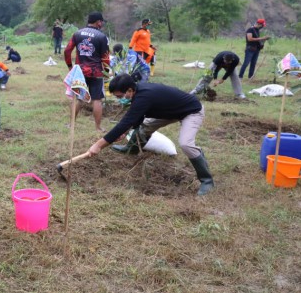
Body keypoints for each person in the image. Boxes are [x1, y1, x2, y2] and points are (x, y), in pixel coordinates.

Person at [87, 73, 215, 196]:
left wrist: (99, 145)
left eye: (120, 96)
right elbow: (137, 116)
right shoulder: (138, 92)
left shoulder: (144, 96)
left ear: (130, 90)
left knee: (186, 144)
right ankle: (132, 149)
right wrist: (125, 131)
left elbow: (126, 121)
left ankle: (206, 180)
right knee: (146, 126)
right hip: (170, 111)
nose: (120, 99)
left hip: (191, 111)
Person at [64, 11, 110, 132]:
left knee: (78, 98)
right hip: (96, 72)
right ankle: (98, 128)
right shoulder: (102, 37)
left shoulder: (77, 33)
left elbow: (67, 50)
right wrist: (106, 72)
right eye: (101, 22)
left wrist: (70, 66)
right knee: (97, 100)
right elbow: (105, 58)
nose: (101, 24)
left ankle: (71, 125)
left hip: (80, 71)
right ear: (98, 22)